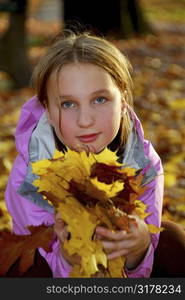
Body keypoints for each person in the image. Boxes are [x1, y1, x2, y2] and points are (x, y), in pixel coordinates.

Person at [5, 31, 164, 278]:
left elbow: (141, 274)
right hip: (51, 278)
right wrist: (69, 257)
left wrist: (139, 249)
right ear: (47, 108)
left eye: (100, 99)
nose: (85, 120)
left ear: (122, 100)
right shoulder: (29, 173)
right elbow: (38, 263)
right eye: (68, 104)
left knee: (173, 240)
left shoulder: (144, 163)